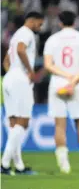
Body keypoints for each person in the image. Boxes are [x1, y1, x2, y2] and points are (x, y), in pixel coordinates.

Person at [43, 11, 79, 174]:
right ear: (75, 22)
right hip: (76, 82)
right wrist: (73, 79)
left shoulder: (52, 39)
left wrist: (64, 76)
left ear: (59, 22)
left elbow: (48, 65)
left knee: (60, 125)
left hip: (57, 82)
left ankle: (64, 166)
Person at [1, 12, 44, 175]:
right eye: (39, 24)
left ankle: (18, 166)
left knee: (14, 124)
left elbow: (6, 60)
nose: (40, 27)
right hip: (20, 79)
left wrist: (12, 72)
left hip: (9, 77)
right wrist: (30, 71)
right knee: (23, 122)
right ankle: (4, 163)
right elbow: (20, 50)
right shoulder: (27, 33)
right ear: (32, 21)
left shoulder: (15, 35)